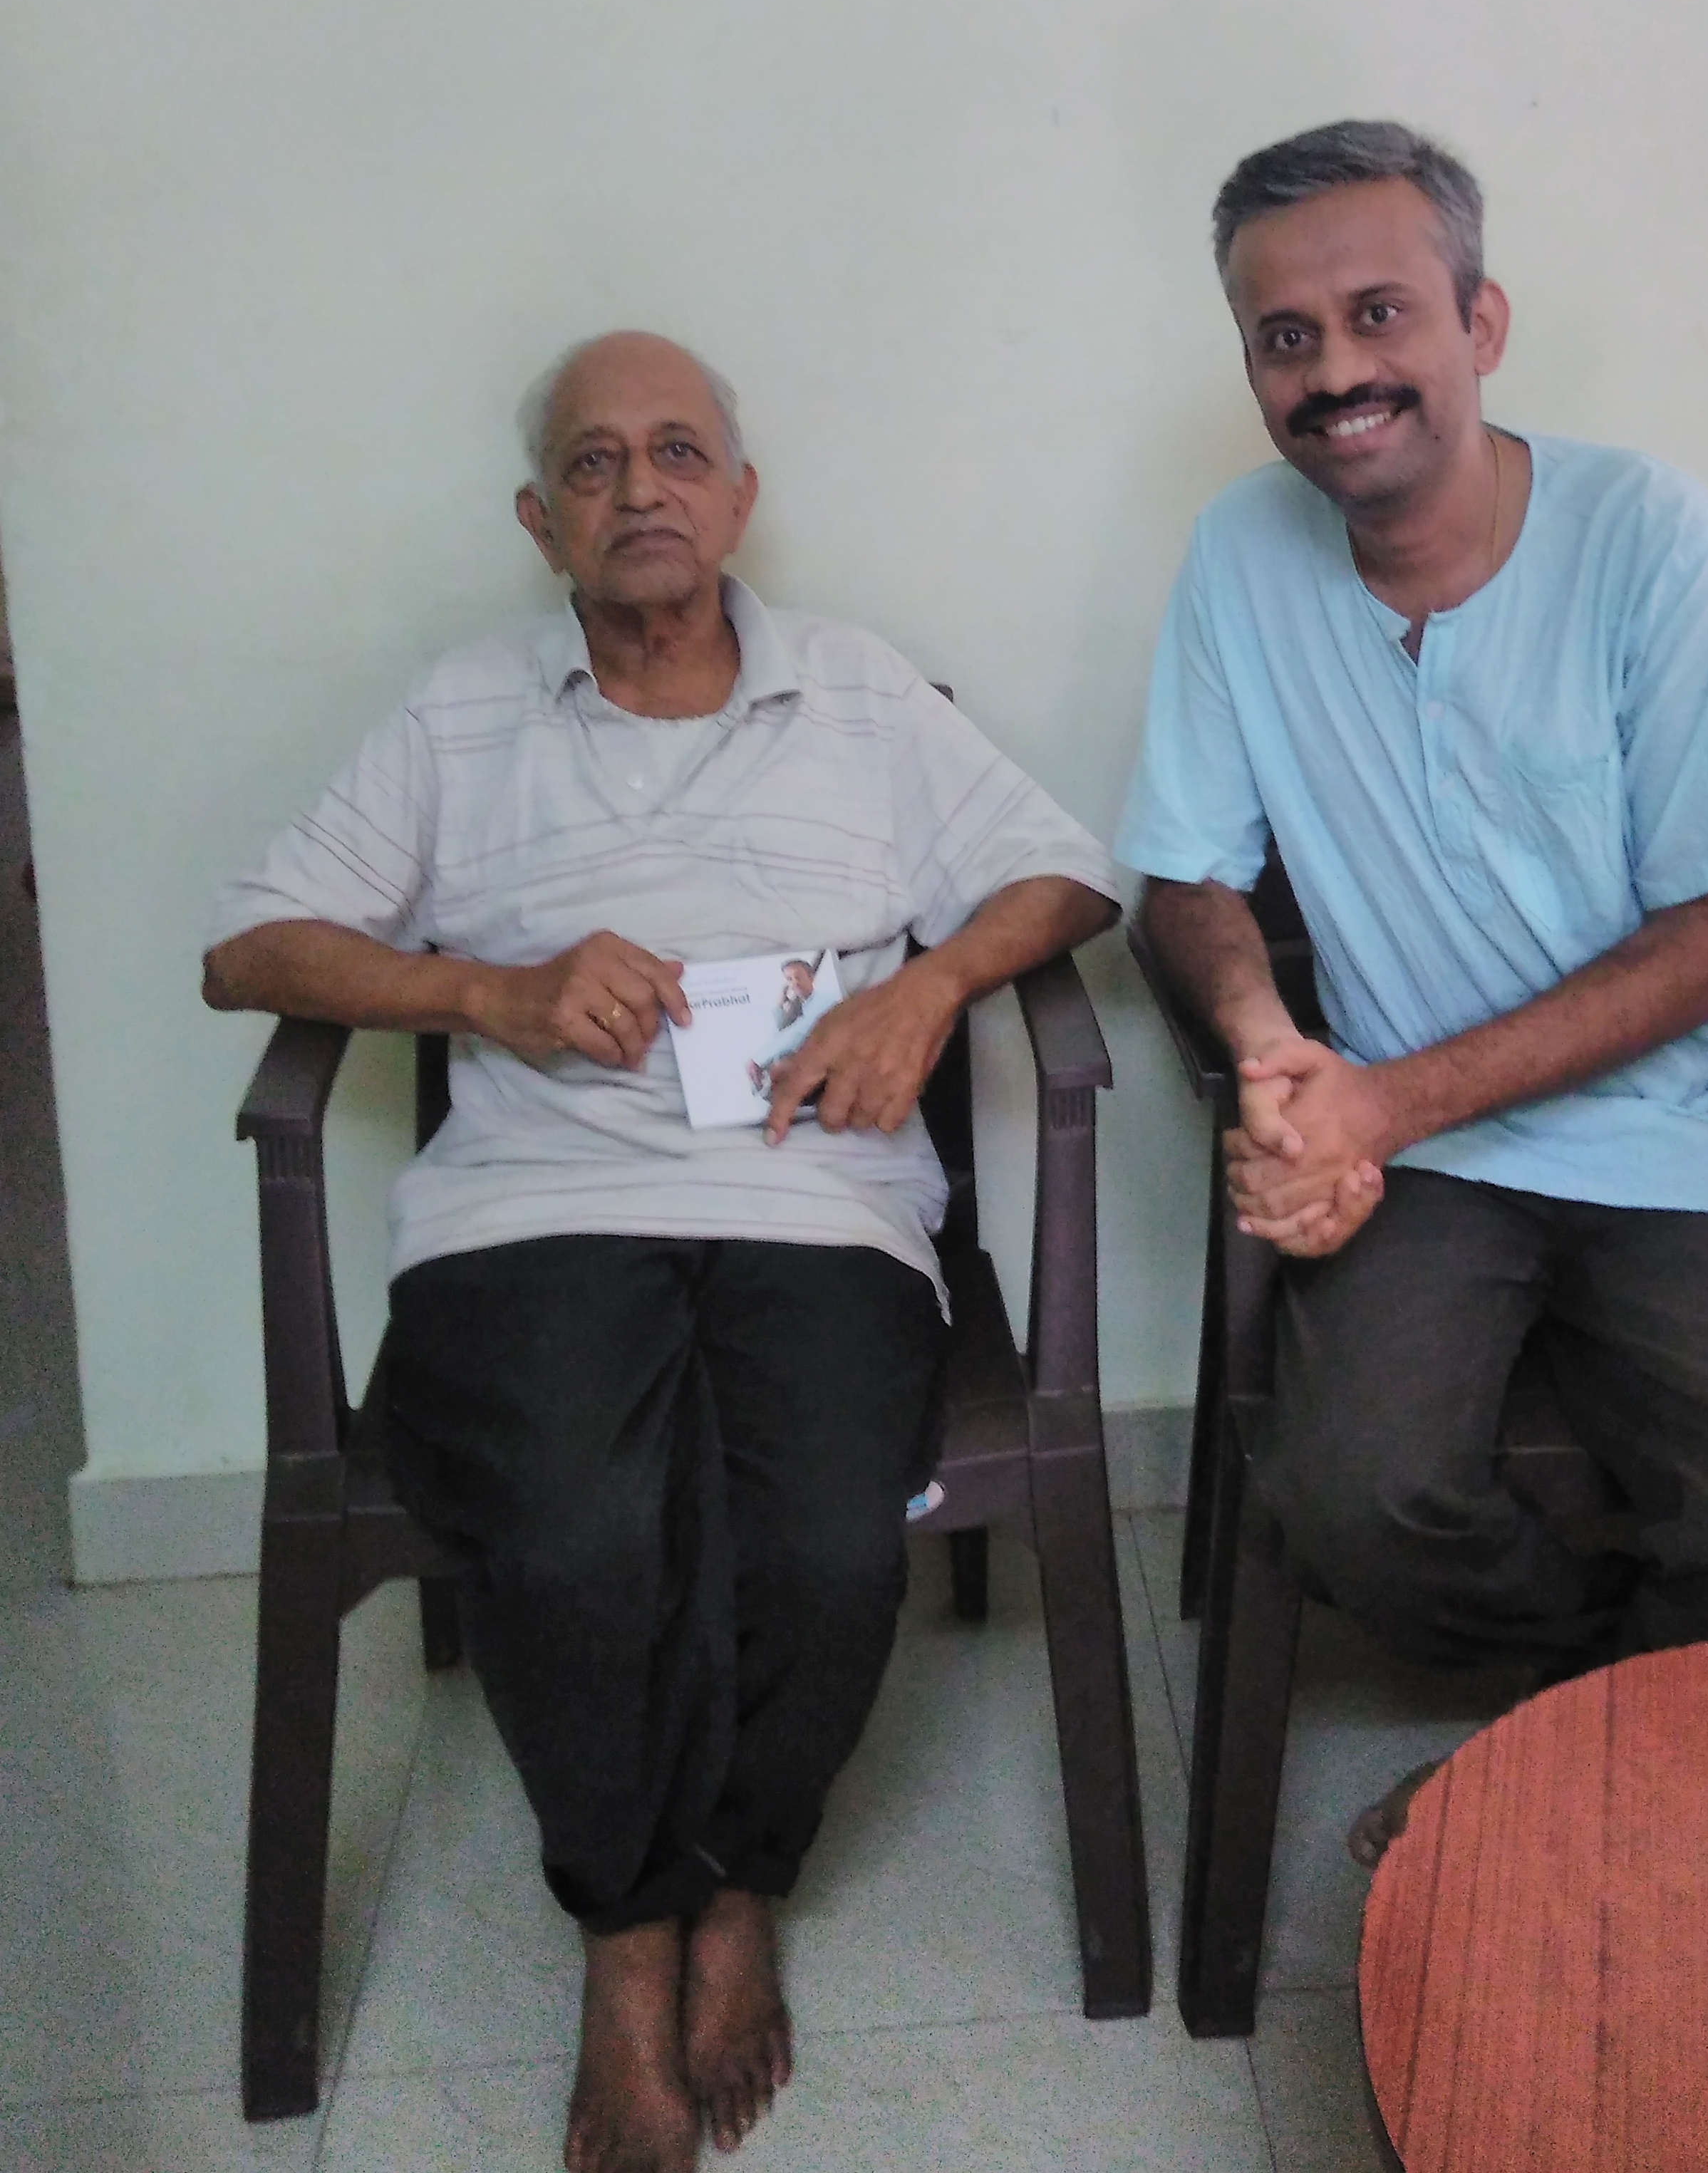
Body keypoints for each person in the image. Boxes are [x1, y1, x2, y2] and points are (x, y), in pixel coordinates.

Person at [204, 331, 1118, 2173]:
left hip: (814, 1199)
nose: (644, 492)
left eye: (679, 453)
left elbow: (1069, 870)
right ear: (544, 522)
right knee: (570, 1520)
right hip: (536, 1206)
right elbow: (251, 946)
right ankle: (630, 1933)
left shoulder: (860, 698)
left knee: (813, 1524)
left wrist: (933, 985)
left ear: (740, 499)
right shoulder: (464, 713)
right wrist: (489, 989)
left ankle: (743, 1881)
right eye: (599, 465)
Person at [1117, 120, 1708, 1852]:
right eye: (1286, 337)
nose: (1338, 373)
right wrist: (1271, 1050)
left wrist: (1378, 1100)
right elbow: (1183, 878)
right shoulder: (1240, 559)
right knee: (1352, 1503)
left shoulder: (1651, 537)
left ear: (1481, 323)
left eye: (1380, 313)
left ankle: (1576, 1789)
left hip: (1696, 1134)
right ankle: (1608, 1724)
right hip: (1431, 1163)